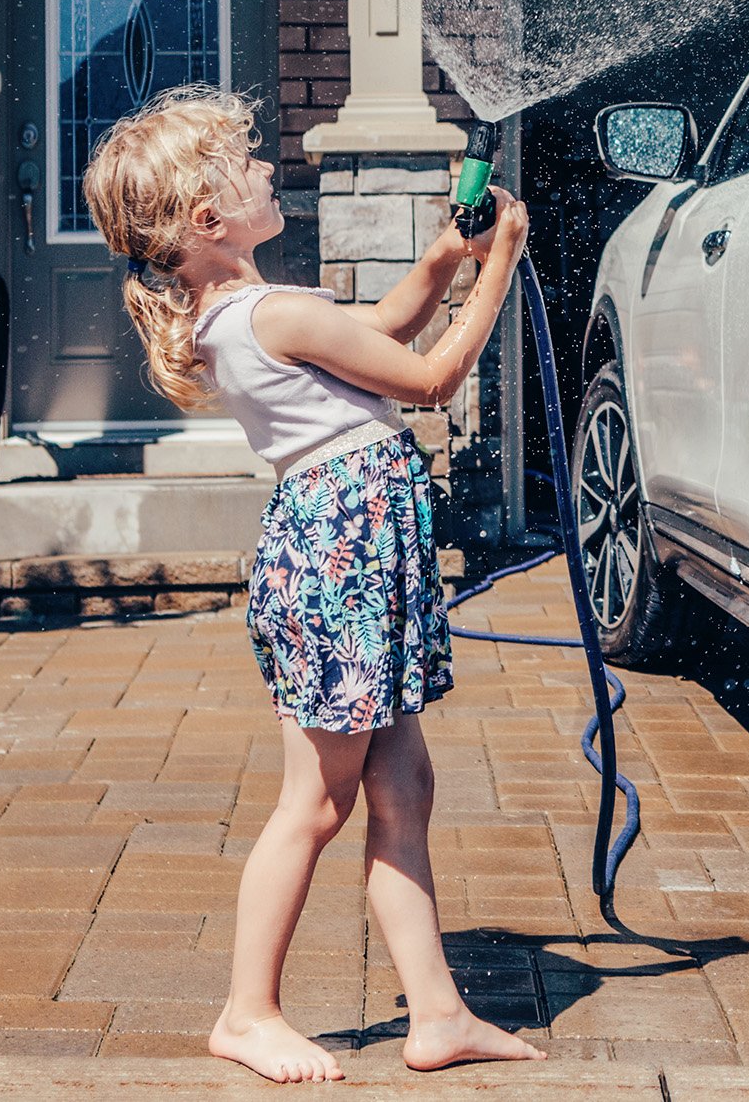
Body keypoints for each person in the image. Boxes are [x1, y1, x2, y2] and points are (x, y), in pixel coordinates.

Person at [84, 85, 543, 1084]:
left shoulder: (242, 315)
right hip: (343, 564)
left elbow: (378, 326)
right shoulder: (272, 311)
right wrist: (497, 258)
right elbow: (424, 379)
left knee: (400, 782)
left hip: (349, 558)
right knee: (317, 800)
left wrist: (439, 260)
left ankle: (437, 1012)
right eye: (246, 166)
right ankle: (247, 1012)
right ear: (207, 218)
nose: (266, 171)